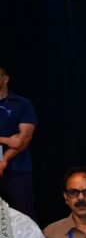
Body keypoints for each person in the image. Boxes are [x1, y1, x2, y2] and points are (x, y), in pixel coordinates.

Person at [0, 65, 39, 220]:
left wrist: (4, 159)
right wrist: (6, 140)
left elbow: (23, 140)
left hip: (17, 167)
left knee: (24, 213)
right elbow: (13, 141)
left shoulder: (22, 104)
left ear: (5, 79)